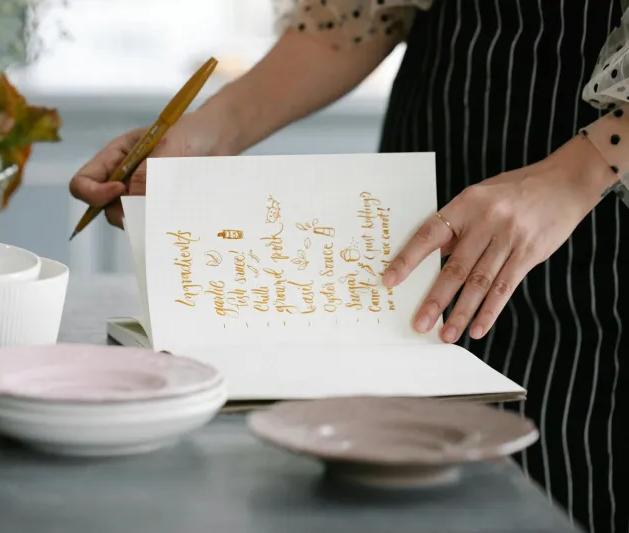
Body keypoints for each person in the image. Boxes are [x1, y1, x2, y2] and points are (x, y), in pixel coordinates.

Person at [69, 1, 629, 531]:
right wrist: (211, 131)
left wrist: (580, 172)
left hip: (599, 248)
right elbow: (354, 20)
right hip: (423, 201)